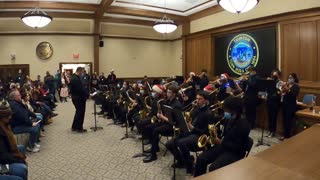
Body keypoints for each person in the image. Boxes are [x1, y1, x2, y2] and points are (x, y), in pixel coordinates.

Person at [194, 96, 251, 177]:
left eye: (226, 110)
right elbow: (220, 126)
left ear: (234, 110)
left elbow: (238, 147)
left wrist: (220, 142)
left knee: (213, 168)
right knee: (201, 159)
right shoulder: (229, 118)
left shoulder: (244, 125)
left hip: (235, 152)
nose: (224, 112)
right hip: (224, 146)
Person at [166, 91, 212, 173]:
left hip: (199, 136)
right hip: (190, 132)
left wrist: (192, 127)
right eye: (197, 98)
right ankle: (182, 161)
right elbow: (187, 117)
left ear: (206, 100)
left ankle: (190, 166)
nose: (197, 101)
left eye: (200, 99)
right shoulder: (196, 108)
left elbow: (205, 132)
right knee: (169, 144)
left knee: (181, 143)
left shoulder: (208, 113)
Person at [143, 85, 182, 163]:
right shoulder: (168, 101)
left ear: (174, 94)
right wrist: (160, 114)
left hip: (172, 127)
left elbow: (175, 122)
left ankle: (153, 155)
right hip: (166, 123)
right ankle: (155, 147)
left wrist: (162, 117)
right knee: (150, 127)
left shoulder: (177, 105)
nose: (167, 93)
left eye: (169, 92)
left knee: (156, 130)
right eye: (167, 92)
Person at [0, 100, 28, 180]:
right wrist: (20, 160)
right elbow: (3, 156)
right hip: (2, 159)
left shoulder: (5, 125)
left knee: (21, 148)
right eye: (7, 116)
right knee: (21, 169)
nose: (10, 117)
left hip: (4, 153)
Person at [69, 67, 89, 133]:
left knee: (78, 112)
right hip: (78, 98)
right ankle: (79, 128)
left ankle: (74, 126)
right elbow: (80, 89)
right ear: (79, 71)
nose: (82, 73)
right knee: (81, 113)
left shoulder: (74, 77)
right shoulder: (75, 79)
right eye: (82, 72)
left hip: (76, 97)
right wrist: (88, 94)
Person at [280, 73, 300, 140]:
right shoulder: (287, 84)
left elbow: (294, 95)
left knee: (289, 121)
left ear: (294, 79)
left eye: (291, 77)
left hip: (291, 106)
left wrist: (287, 89)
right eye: (288, 77)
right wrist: (283, 87)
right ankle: (285, 135)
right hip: (284, 104)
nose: (289, 79)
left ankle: (288, 136)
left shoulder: (296, 86)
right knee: (284, 120)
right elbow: (282, 92)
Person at [266, 69, 282, 137]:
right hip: (269, 100)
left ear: (278, 75)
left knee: (274, 117)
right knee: (269, 116)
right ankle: (270, 130)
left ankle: (273, 131)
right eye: (273, 75)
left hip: (275, 102)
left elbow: (279, 92)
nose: (273, 76)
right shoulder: (270, 82)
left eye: (275, 75)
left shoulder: (280, 82)